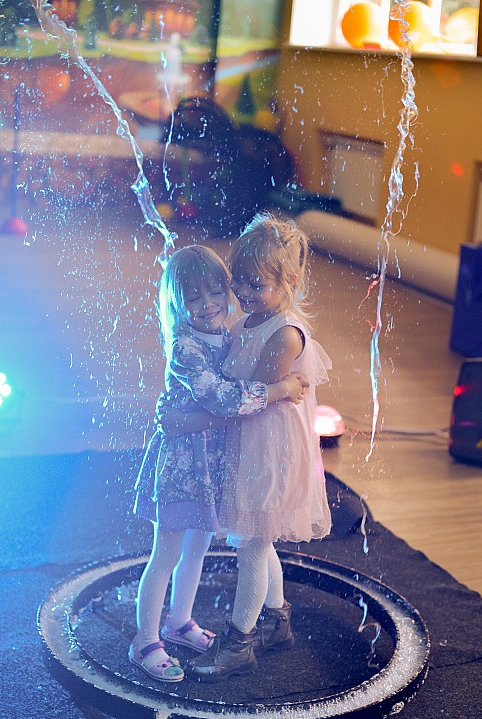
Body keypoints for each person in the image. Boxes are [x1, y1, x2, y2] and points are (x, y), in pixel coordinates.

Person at [160, 214, 332, 682]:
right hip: (252, 440)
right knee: (260, 535)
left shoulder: (284, 333)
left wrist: (189, 420)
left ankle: (240, 644)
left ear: (288, 282)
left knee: (253, 544)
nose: (242, 292)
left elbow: (249, 399)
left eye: (256, 285)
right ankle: (277, 621)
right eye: (239, 281)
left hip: (269, 448)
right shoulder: (251, 319)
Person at [130, 244, 308, 683]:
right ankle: (145, 640)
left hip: (211, 466)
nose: (208, 305)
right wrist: (280, 390)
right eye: (194, 298)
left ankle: (179, 622)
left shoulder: (227, 335)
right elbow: (227, 399)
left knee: (197, 549)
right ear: (177, 303)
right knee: (166, 554)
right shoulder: (185, 348)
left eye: (216, 292)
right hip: (182, 468)